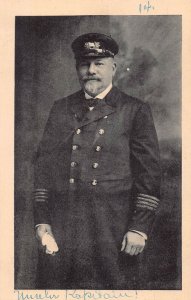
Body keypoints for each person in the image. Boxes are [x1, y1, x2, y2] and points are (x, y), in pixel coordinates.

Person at [33, 32, 161, 289]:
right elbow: (44, 169)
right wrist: (42, 220)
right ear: (77, 68)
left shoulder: (134, 110)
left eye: (99, 64)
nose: (90, 71)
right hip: (63, 227)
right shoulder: (61, 108)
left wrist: (139, 228)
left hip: (111, 230)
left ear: (113, 68)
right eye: (84, 64)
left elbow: (149, 176)